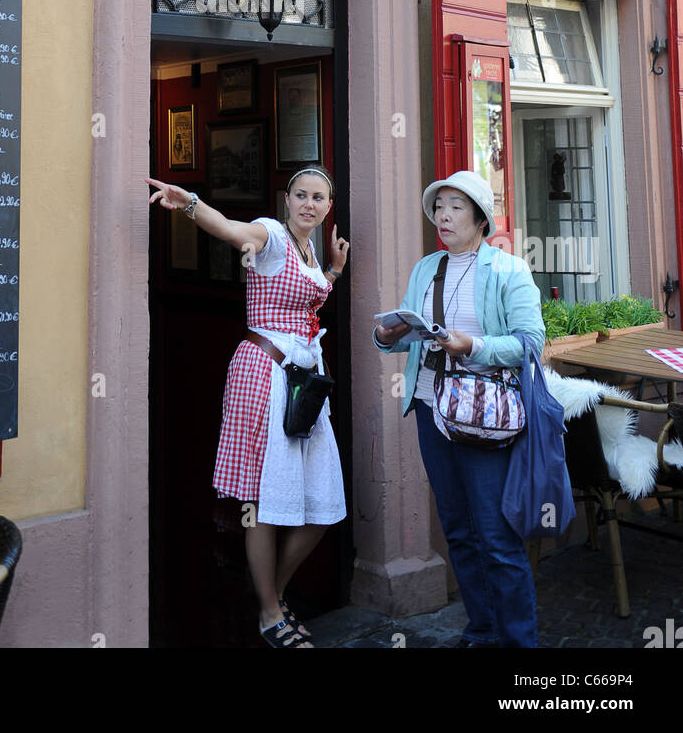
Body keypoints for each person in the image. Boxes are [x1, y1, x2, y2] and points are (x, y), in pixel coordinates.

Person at [147, 166, 349, 648]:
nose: (309, 204)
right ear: (286, 200)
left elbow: (308, 300)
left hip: (303, 384)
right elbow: (232, 231)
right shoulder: (273, 235)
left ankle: (271, 596)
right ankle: (269, 612)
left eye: (318, 198)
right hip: (264, 375)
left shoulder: (310, 249)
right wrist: (191, 204)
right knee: (260, 502)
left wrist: (336, 269)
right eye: (300, 195)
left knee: (323, 504)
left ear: (327, 207)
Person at [373, 171, 545, 649]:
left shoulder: (508, 270)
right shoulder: (426, 267)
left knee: (496, 535)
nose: (444, 216)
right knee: (458, 531)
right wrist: (388, 335)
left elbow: (530, 344)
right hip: (431, 408)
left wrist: (473, 345)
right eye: (440, 207)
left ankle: (517, 644)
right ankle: (482, 631)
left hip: (485, 416)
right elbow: (410, 331)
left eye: (456, 207)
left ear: (479, 217)